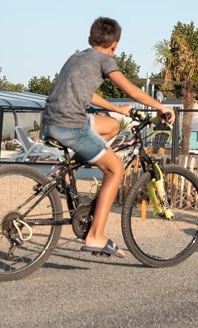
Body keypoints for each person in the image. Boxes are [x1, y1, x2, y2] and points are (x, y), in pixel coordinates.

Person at [40, 17, 175, 258]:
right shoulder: (105, 60)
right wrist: (160, 107)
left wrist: (117, 109)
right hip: (71, 125)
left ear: (91, 39)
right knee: (115, 171)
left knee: (112, 126)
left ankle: (65, 170)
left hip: (51, 122)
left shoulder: (76, 58)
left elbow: (88, 95)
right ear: (114, 44)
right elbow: (131, 90)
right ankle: (95, 236)